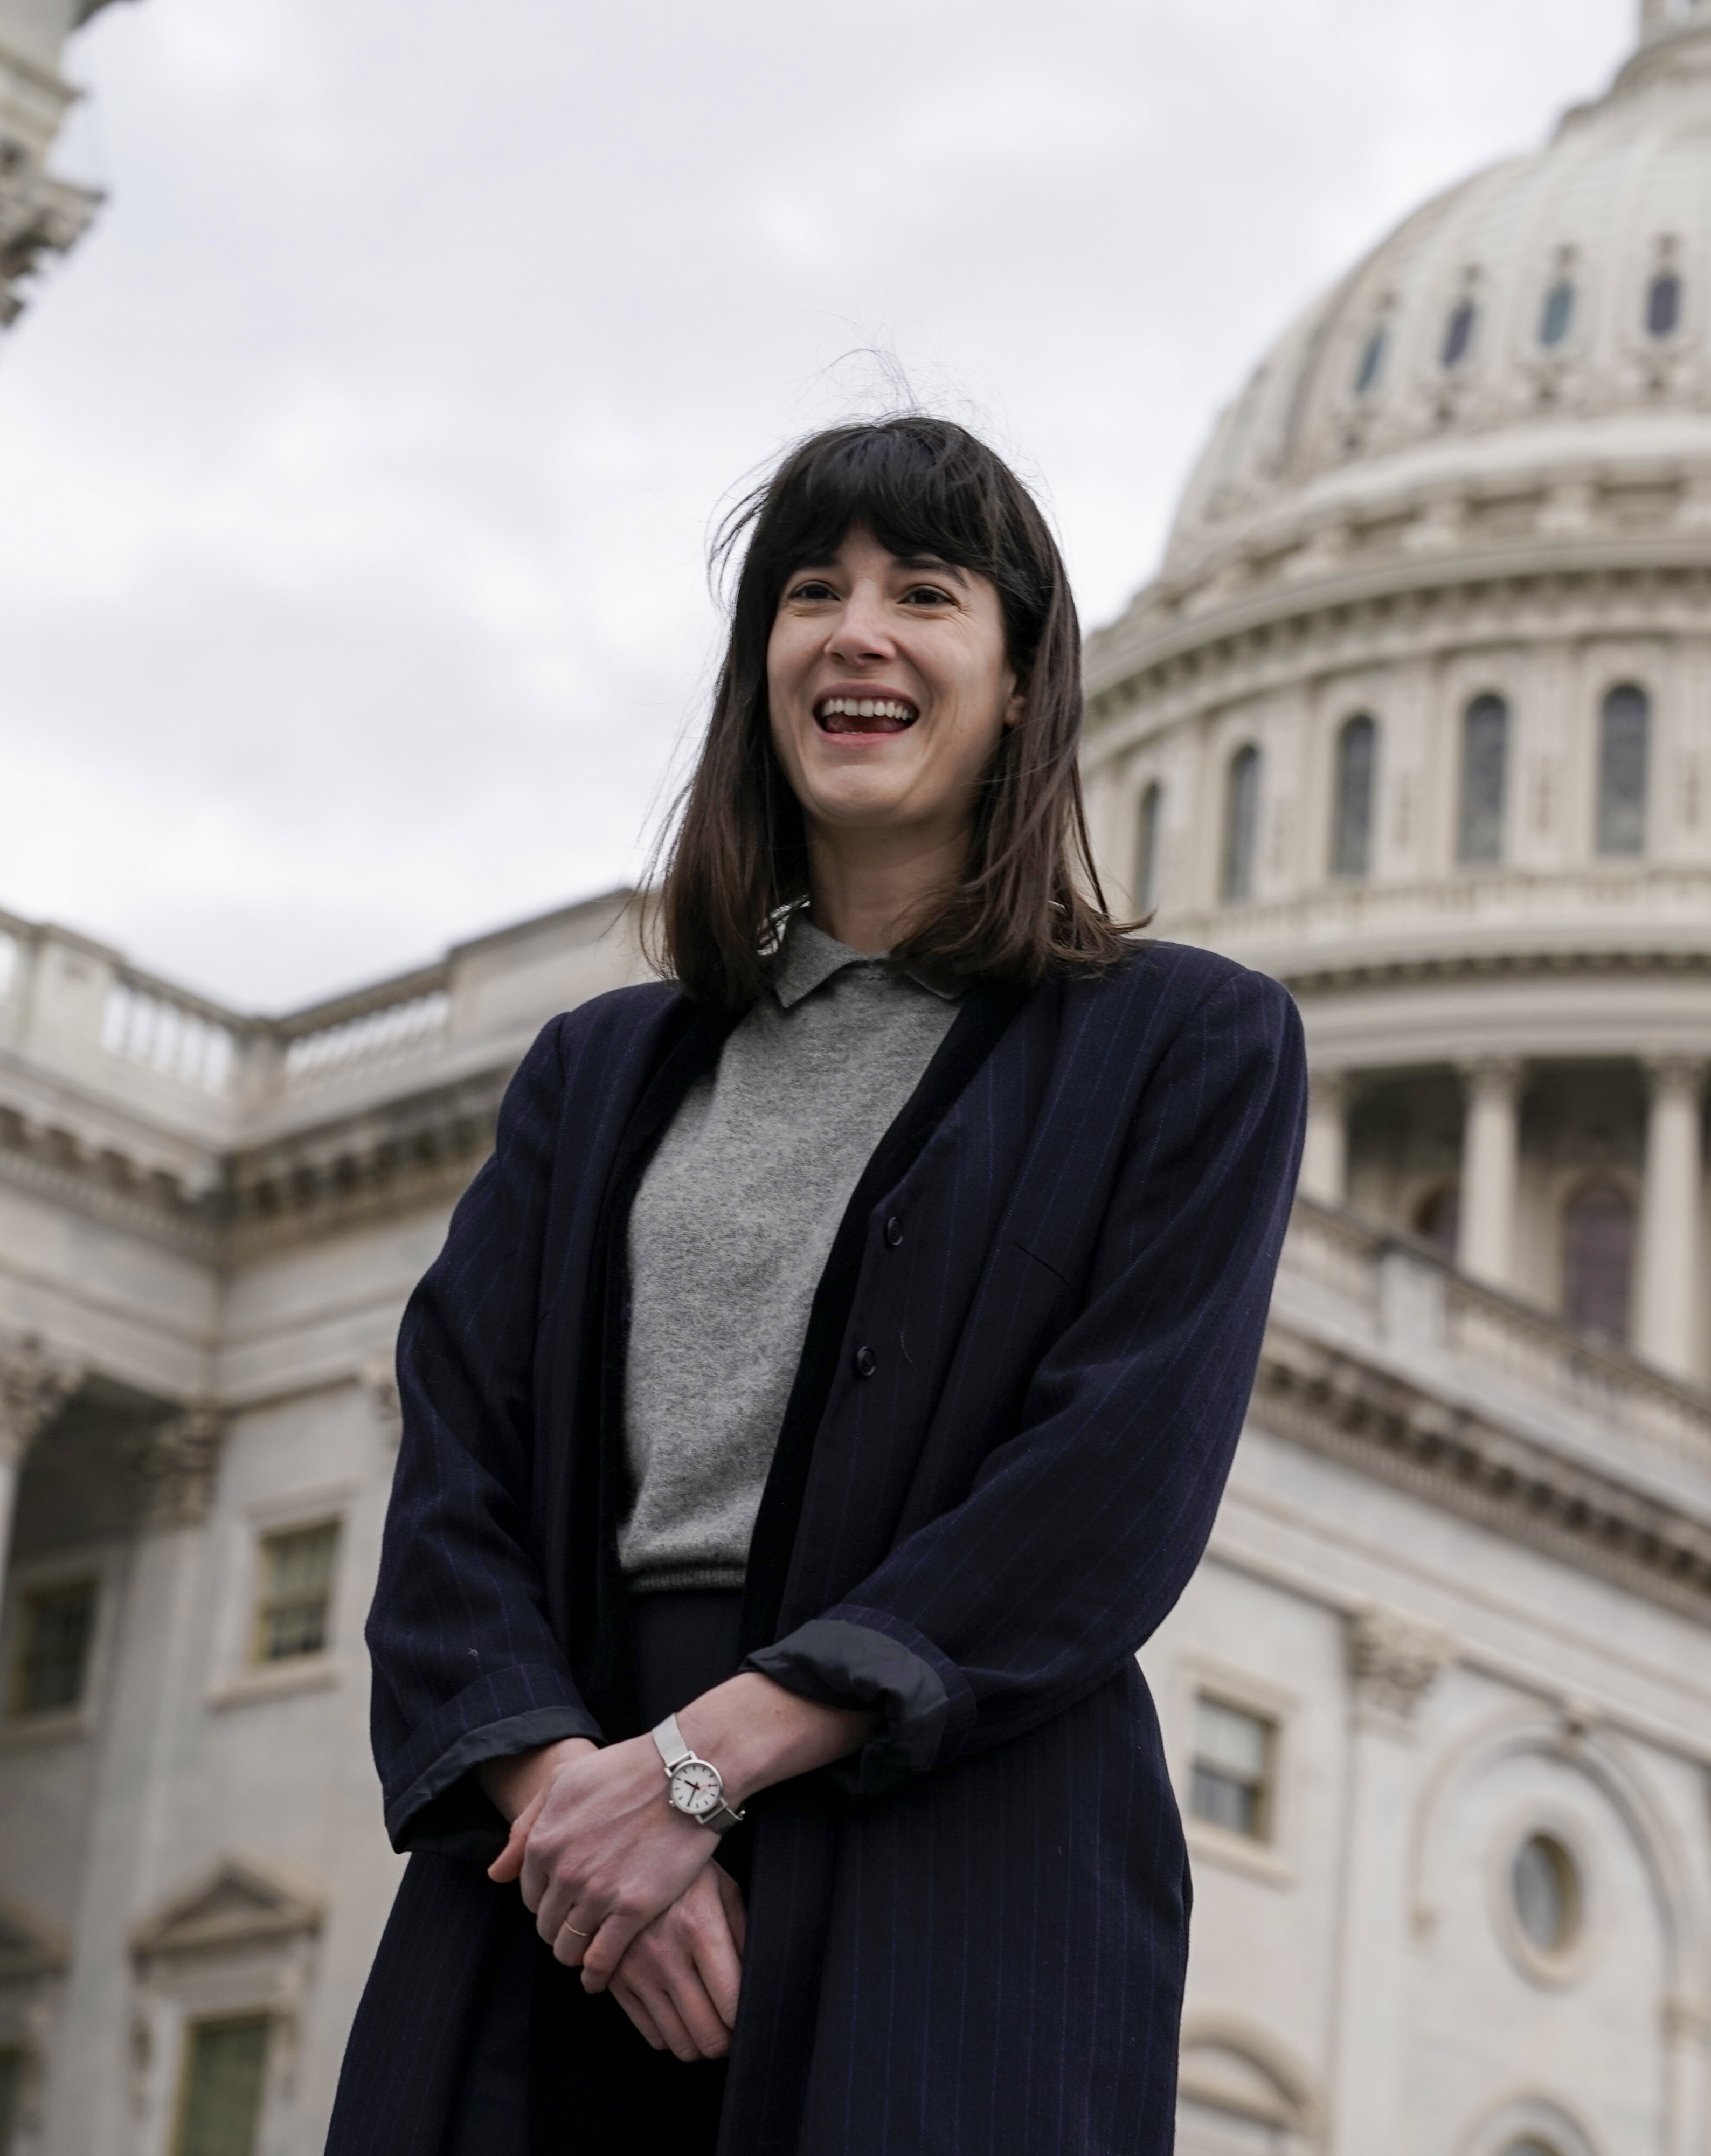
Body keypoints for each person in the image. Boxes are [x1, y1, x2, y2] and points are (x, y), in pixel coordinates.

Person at [327, 414, 1307, 2154]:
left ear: (1020, 686)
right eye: (809, 592)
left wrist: (702, 1766)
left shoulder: (1186, 1048)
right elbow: (454, 1478)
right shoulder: (597, 1071)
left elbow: (1105, 1492)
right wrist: (584, 1814)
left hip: (947, 1851)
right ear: (760, 678)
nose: (855, 631)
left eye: (924, 591)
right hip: (555, 1880)